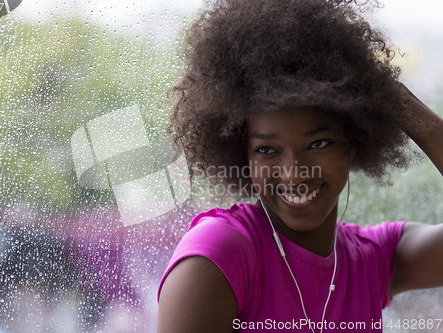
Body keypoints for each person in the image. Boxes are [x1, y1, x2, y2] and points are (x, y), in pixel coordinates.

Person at [157, 0, 443, 332]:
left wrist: (391, 99)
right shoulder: (221, 256)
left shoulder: (373, 260)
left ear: (354, 140)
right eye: (266, 149)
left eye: (318, 144)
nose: (294, 172)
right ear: (242, 155)